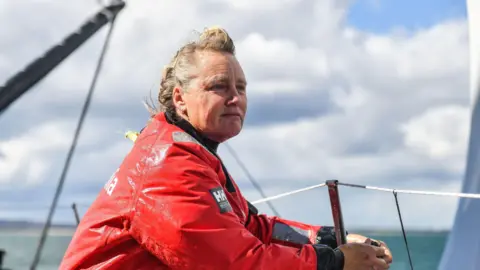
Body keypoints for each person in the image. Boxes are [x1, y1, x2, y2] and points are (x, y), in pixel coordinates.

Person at [59, 26, 393, 270]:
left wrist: (332, 238)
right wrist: (335, 263)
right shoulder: (167, 168)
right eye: (219, 87)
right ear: (181, 99)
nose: (235, 98)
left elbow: (252, 228)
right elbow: (234, 264)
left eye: (241, 87)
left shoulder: (190, 154)